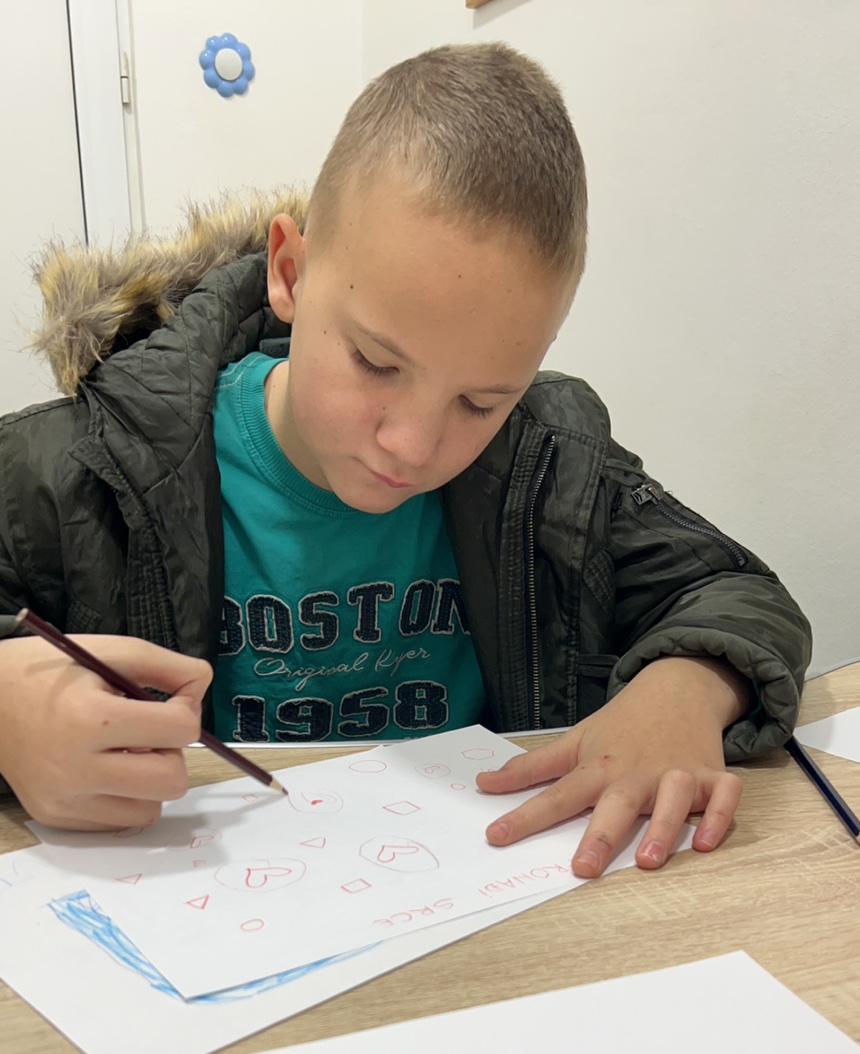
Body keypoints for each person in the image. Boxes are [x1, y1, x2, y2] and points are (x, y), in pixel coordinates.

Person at [0, 43, 811, 877]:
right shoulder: (71, 468)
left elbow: (737, 592)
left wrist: (687, 689)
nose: (413, 447)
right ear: (290, 273)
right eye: (376, 363)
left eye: (481, 402)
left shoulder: (550, 459)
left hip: (479, 906)